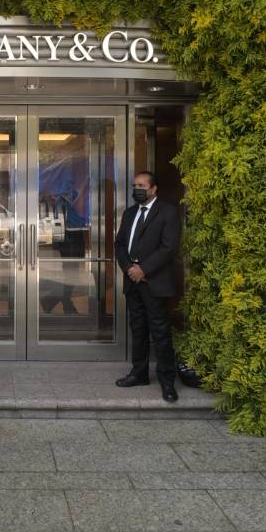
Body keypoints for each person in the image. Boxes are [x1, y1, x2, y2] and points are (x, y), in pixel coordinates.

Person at [114, 169, 181, 400]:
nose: (137, 189)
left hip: (154, 281)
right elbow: (120, 244)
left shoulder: (168, 212)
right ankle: (139, 374)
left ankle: (167, 381)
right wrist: (129, 269)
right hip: (133, 281)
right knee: (138, 329)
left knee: (160, 332)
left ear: (153, 189)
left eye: (142, 186)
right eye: (135, 185)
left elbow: (168, 248)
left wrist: (143, 269)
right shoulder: (130, 213)